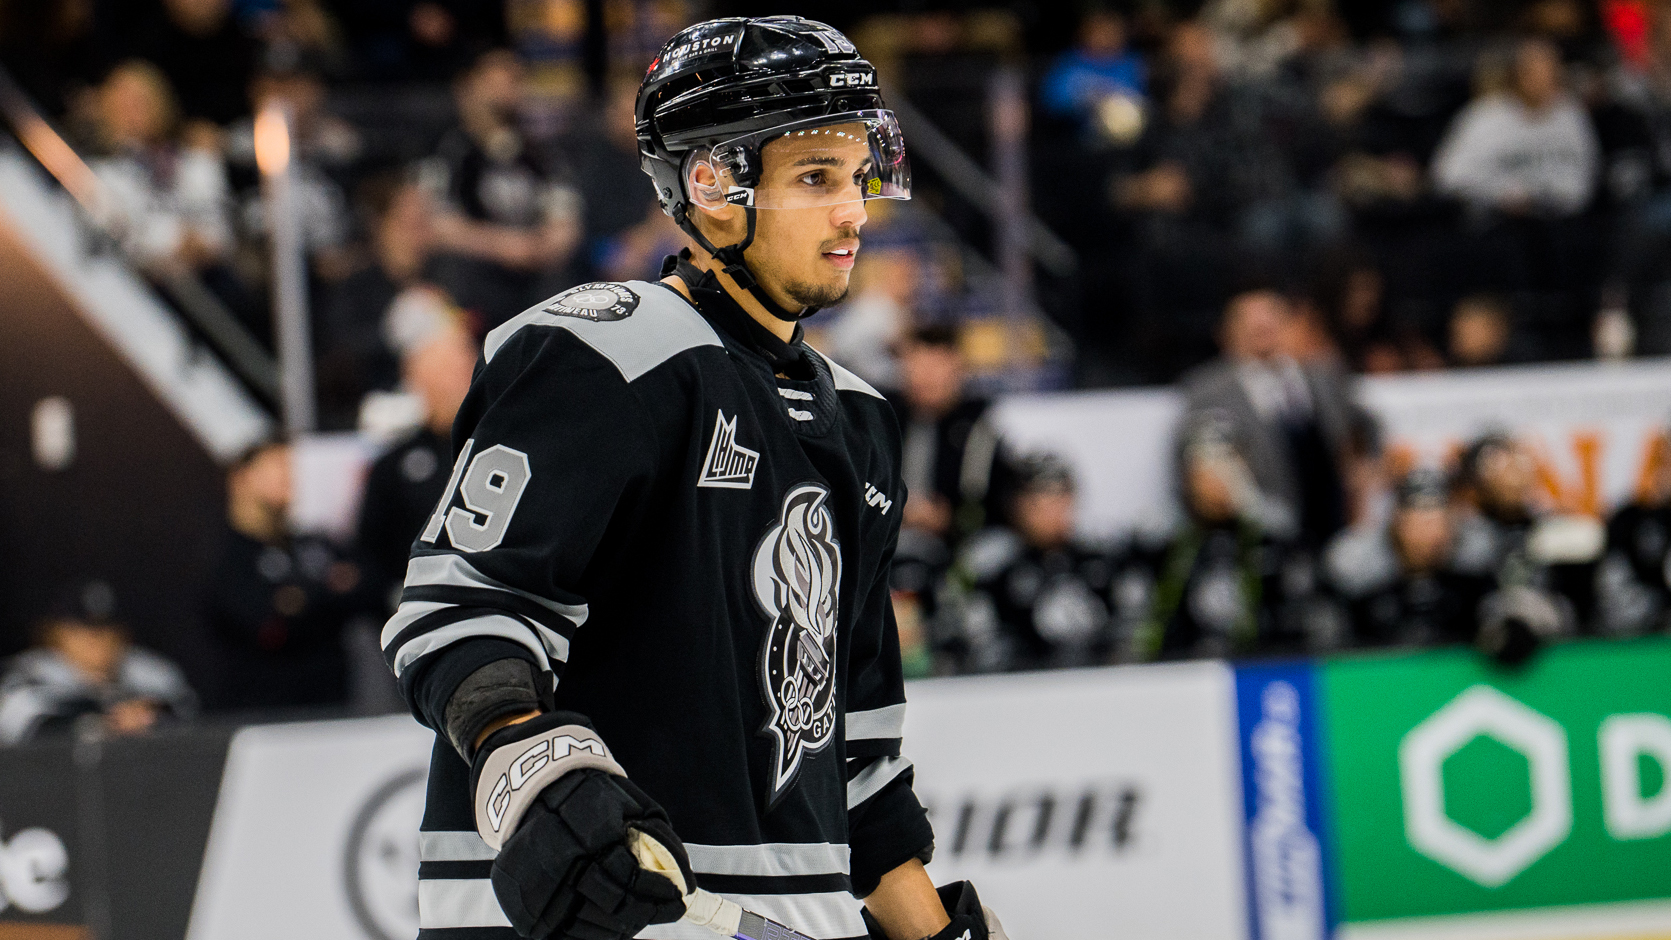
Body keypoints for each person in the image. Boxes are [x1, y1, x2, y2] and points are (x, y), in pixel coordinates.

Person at [381, 17, 1006, 940]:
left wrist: (935, 933)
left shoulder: (861, 420)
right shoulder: (607, 351)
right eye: (815, 178)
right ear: (713, 186)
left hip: (794, 913)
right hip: (600, 918)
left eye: (856, 176)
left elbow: (854, 763)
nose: (853, 213)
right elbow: (460, 612)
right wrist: (533, 770)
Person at [1178, 286, 1358, 549]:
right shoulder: (1208, 391)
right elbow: (1195, 461)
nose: (1263, 327)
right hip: (1263, 539)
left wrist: (1366, 467)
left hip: (1336, 528)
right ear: (1226, 333)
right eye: (1250, 323)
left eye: (1271, 318)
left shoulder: (1322, 375)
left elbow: (1361, 424)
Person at [204, 440, 370, 711]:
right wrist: (322, 590)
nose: (288, 476)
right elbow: (265, 624)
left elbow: (366, 587)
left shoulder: (313, 544)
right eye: (275, 466)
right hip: (262, 712)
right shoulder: (224, 557)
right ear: (241, 478)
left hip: (332, 705)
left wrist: (300, 598)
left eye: (290, 467)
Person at [423, 49, 583, 327]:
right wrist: (503, 245)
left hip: (533, 273)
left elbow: (565, 218)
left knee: (565, 278)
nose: (508, 89)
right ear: (469, 87)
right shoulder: (448, 151)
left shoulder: (541, 154)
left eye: (515, 79)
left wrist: (543, 245)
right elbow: (434, 224)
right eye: (496, 79)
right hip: (474, 275)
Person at [1136, 423, 1306, 660]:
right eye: (1204, 462)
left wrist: (1247, 503)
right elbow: (1149, 627)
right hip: (1185, 664)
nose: (1215, 476)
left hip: (1264, 662)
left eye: (1226, 460)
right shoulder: (1167, 540)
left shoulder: (1269, 533)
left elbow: (1297, 600)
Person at [356, 288, 478, 610]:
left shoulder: (508, 444)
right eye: (449, 366)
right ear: (416, 375)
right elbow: (370, 557)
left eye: (466, 360)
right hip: (419, 612)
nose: (463, 373)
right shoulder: (393, 466)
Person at [948, 454, 1119, 672]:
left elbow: (1128, 634)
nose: (1051, 512)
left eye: (1059, 498)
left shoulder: (1100, 557)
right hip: (1016, 680)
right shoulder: (990, 563)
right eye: (1037, 502)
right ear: (1014, 504)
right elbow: (974, 637)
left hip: (1097, 679)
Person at [0, 581, 196, 746]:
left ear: (123, 633)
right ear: (55, 633)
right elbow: (20, 723)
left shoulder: (149, 671)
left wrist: (153, 715)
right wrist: (102, 724)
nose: (94, 639)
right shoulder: (29, 671)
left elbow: (189, 713)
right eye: (81, 628)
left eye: (105, 628)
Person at [1324, 468, 1496, 650]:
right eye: (1420, 524)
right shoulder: (1356, 564)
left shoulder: (1475, 560)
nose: (1430, 536)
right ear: (1397, 523)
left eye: (1438, 523)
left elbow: (1493, 611)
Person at [1432, 38, 1599, 219]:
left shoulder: (1571, 113)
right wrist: (1501, 194)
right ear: (1516, 75)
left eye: (1552, 72)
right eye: (1534, 72)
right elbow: (1448, 177)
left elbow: (1587, 175)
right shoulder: (1485, 115)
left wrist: (1547, 196)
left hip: (1562, 222)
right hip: (1497, 221)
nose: (1545, 80)